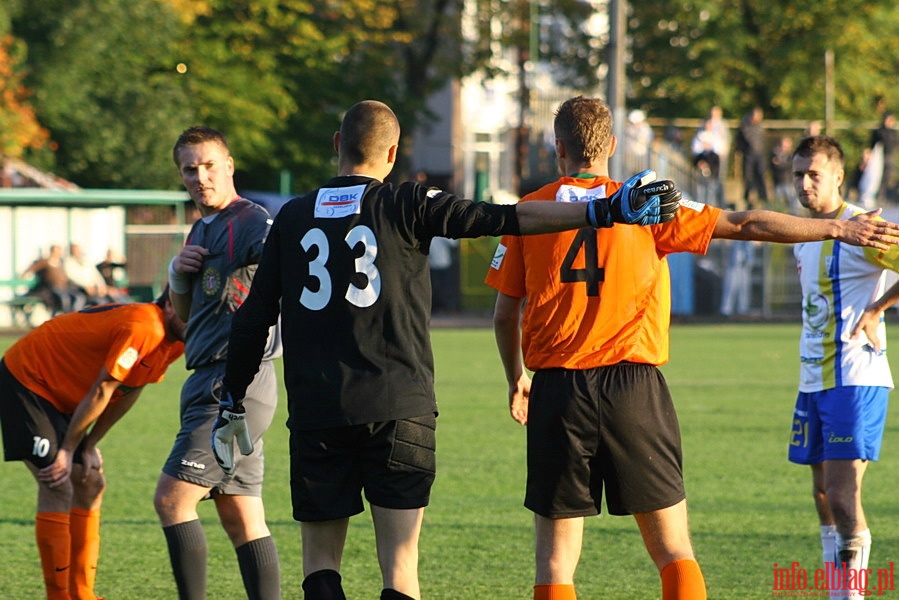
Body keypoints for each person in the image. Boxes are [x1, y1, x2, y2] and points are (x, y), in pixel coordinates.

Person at [217, 99, 679, 600]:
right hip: (400, 408)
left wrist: (231, 399)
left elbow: (251, 322)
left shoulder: (292, 217)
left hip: (318, 411)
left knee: (320, 568)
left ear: (336, 145)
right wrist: (605, 209)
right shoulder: (407, 203)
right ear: (392, 152)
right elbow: (498, 218)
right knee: (400, 568)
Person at [482, 96, 899, 600]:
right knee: (674, 551)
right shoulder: (650, 204)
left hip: (558, 389)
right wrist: (839, 226)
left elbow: (506, 314)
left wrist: (516, 380)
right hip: (633, 386)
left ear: (558, 148)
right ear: (612, 146)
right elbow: (746, 224)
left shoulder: (528, 212)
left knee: (554, 563)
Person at [153, 126, 282, 600]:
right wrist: (176, 274)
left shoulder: (251, 220)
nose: (200, 176)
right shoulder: (202, 228)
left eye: (209, 165)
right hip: (206, 375)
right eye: (190, 169)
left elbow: (281, 275)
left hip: (233, 380)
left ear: (229, 166)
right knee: (241, 515)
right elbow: (184, 319)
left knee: (171, 499)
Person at [0, 289, 186, 600]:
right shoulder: (145, 326)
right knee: (58, 482)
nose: (195, 316)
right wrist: (70, 448)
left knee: (90, 482)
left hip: (63, 391)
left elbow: (128, 390)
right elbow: (103, 389)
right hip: (28, 379)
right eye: (188, 308)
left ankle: (82, 593)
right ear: (168, 304)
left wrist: (88, 444)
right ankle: (59, 596)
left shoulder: (176, 338)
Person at [789, 135, 899, 599]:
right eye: (798, 174)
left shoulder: (864, 225)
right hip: (813, 379)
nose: (805, 183)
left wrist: (877, 310)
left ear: (838, 175)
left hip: (856, 378)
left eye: (814, 174)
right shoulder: (802, 233)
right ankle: (838, 590)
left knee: (841, 494)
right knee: (821, 494)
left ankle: (848, 596)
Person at [736, 106, 769, 207]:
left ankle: (763, 199)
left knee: (761, 176)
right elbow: (739, 143)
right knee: (748, 177)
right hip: (748, 156)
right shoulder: (745, 127)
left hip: (760, 156)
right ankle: (748, 199)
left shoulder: (759, 127)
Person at [63, 243, 109, 308]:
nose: (78, 252)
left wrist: (101, 286)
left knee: (103, 302)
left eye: (79, 250)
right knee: (79, 300)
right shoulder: (68, 263)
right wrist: (85, 286)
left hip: (92, 289)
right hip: (77, 289)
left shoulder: (86, 261)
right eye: (75, 250)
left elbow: (96, 275)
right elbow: (71, 278)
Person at [871, 111, 897, 203]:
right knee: (878, 176)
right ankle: (878, 195)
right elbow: (873, 145)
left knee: (888, 176)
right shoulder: (879, 132)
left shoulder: (893, 132)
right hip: (879, 158)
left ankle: (886, 195)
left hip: (889, 156)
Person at [771, 135, 798, 213]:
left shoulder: (792, 156)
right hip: (779, 183)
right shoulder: (775, 154)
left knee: (794, 206)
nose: (785, 147)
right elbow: (777, 166)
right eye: (784, 144)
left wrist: (782, 163)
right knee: (778, 207)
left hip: (790, 183)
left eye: (787, 144)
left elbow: (792, 165)